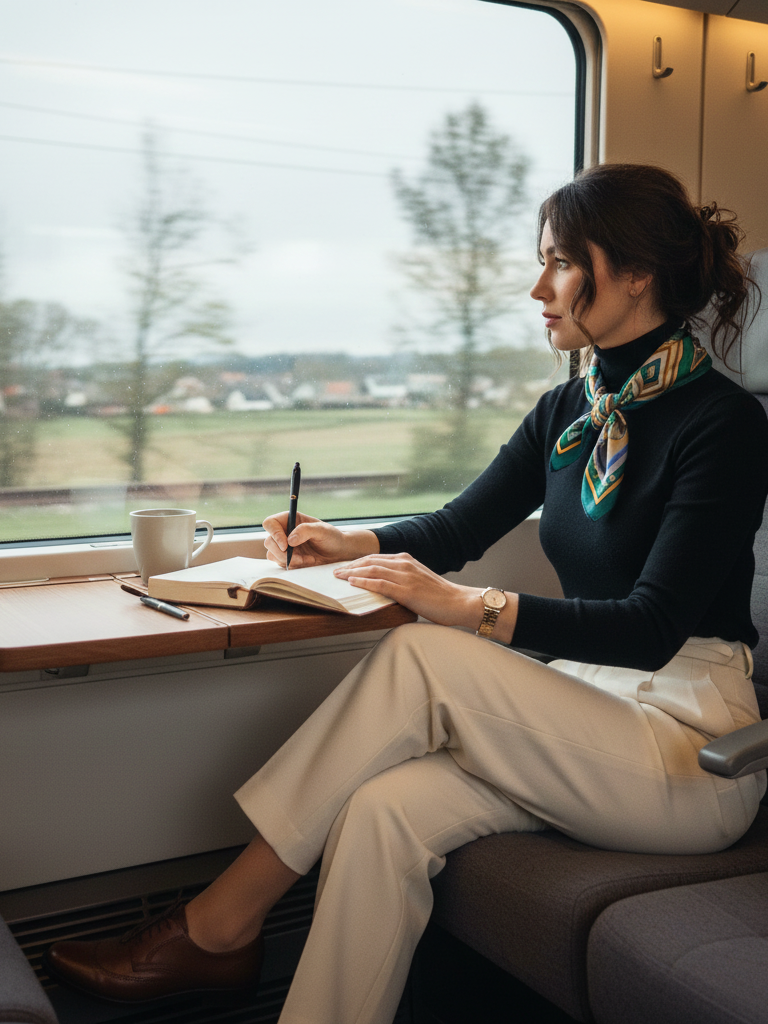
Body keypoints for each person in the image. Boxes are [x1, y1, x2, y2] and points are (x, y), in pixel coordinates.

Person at [43, 164, 768, 1024]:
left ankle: (218, 926)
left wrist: (470, 609)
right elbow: (459, 527)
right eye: (541, 261)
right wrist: (354, 542)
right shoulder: (570, 410)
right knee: (383, 810)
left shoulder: (724, 423)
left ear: (638, 273)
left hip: (691, 752)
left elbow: (651, 627)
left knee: (424, 652)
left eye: (563, 263)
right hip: (593, 715)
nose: (538, 288)